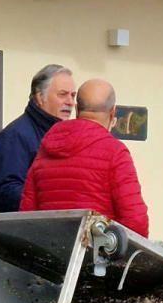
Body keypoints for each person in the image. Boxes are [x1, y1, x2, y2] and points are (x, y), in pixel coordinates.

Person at [19, 78, 150, 233]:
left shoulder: (46, 146)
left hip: (50, 250)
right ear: (113, 112)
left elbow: (27, 213)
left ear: (77, 109)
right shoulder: (115, 152)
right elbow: (135, 220)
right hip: (94, 252)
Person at [0, 63, 75, 213]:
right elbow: (6, 192)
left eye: (73, 95)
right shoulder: (15, 136)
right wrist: (50, 199)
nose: (70, 102)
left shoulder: (66, 137)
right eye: (62, 94)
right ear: (40, 97)